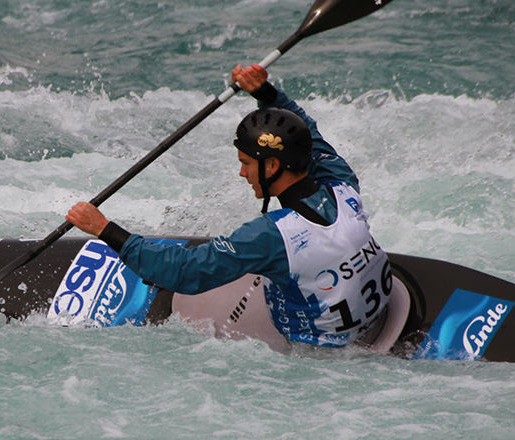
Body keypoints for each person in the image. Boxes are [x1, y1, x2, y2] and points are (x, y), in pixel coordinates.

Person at [66, 64, 391, 348]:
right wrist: (266, 93)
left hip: (317, 355)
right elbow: (309, 134)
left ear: (272, 166)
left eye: (246, 163)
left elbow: (185, 272)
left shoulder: (272, 236)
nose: (242, 173)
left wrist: (104, 229)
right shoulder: (342, 183)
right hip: (379, 318)